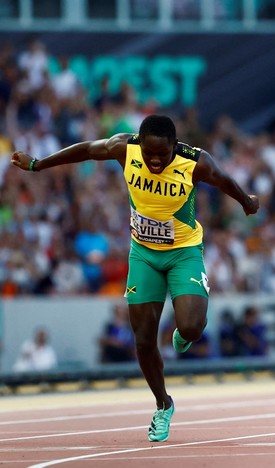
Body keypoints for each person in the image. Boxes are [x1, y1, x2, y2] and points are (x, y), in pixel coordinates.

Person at [11, 114, 259, 441]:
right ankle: (163, 404)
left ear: (175, 146)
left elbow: (224, 180)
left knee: (191, 327)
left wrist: (246, 202)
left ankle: (184, 335)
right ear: (140, 144)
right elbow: (85, 149)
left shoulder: (195, 162)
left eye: (163, 154)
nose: (155, 161)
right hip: (143, 254)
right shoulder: (123, 148)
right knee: (143, 337)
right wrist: (38, 165)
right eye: (150, 153)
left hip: (183, 252)